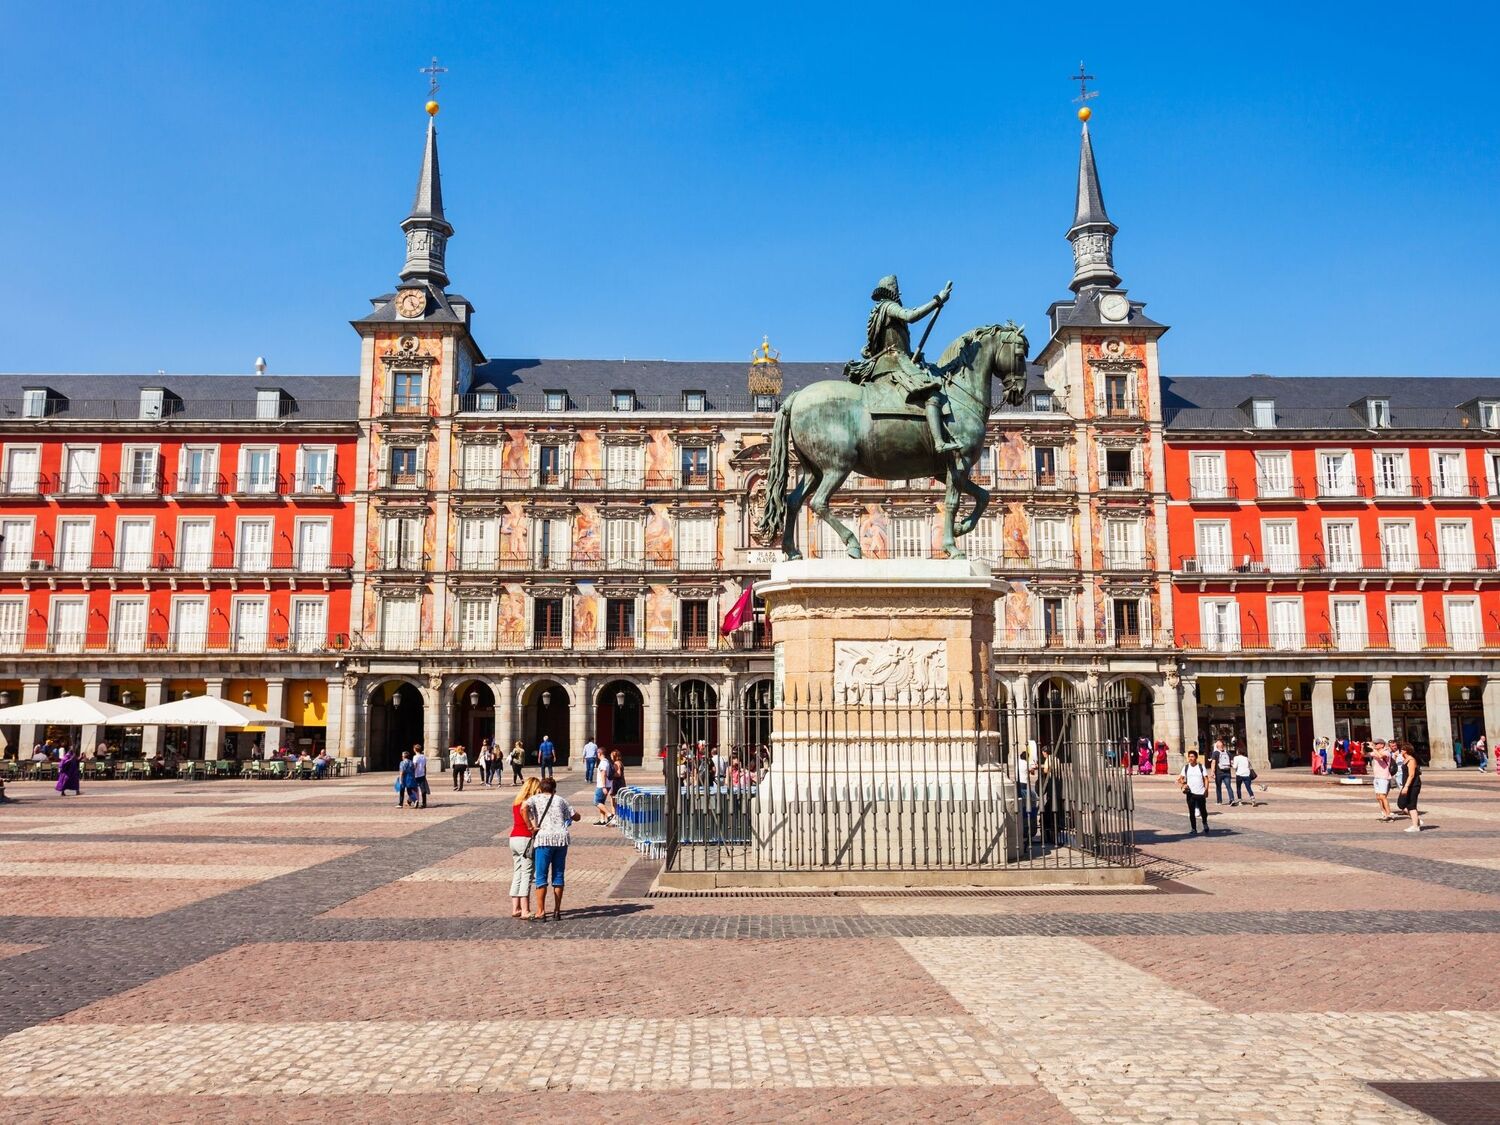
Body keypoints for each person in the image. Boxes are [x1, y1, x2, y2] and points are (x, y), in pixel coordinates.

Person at [842, 274, 959, 453]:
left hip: (885, 363)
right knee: (932, 393)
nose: (900, 292)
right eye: (897, 288)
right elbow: (911, 316)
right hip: (895, 364)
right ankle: (939, 442)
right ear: (891, 290)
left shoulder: (877, 311)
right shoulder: (889, 307)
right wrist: (937, 299)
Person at [526, 776, 580, 921]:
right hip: (561, 840)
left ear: (541, 788)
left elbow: (523, 807)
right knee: (558, 874)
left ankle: (541, 911)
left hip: (544, 839)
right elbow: (576, 816)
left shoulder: (535, 799)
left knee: (541, 875)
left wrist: (530, 826)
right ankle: (557, 910)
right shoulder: (561, 800)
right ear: (554, 789)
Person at [509, 778, 541, 918]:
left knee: (517, 873)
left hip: (514, 838)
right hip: (525, 839)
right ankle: (525, 910)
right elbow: (527, 815)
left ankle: (515, 908)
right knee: (527, 874)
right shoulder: (527, 803)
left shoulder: (516, 802)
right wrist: (532, 827)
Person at [1178, 749, 1211, 835]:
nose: (1190, 758)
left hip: (1200, 792)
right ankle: (1193, 829)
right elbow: (1180, 778)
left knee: (1203, 810)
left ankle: (1205, 823)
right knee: (1191, 812)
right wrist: (1184, 784)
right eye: (1189, 757)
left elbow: (1206, 779)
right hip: (1190, 793)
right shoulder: (1186, 767)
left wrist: (1206, 789)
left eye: (1192, 756)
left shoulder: (1201, 767)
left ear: (1196, 757)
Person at [1397, 744, 1423, 833]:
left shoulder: (1411, 760)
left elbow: (1411, 775)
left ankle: (1415, 826)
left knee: (1411, 805)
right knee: (1403, 804)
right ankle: (1417, 821)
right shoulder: (1405, 760)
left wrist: (1406, 787)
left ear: (1406, 750)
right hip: (1407, 785)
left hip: (1413, 785)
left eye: (1402, 749)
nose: (1401, 750)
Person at [1370, 741, 1395, 821]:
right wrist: (1363, 747)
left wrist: (1373, 749)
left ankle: (1389, 814)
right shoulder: (1376, 752)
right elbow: (1364, 754)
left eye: (1377, 744)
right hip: (1376, 777)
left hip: (1383, 776)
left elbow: (1381, 756)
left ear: (1382, 745)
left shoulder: (1386, 752)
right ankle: (1384, 813)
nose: (1375, 745)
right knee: (1378, 797)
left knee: (1383, 796)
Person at [605, 750, 626, 826]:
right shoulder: (620, 762)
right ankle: (617, 816)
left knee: (614, 801)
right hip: (620, 783)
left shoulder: (616, 763)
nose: (610, 757)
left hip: (616, 784)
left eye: (611, 755)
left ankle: (615, 817)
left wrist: (608, 775)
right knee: (616, 800)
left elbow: (619, 774)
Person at [593, 750, 614, 825]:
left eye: (597, 753)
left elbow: (603, 774)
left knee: (596, 802)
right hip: (605, 785)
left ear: (600, 753)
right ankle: (602, 820)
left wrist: (604, 786)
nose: (596, 754)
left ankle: (609, 815)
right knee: (601, 802)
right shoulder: (606, 762)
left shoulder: (603, 763)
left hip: (602, 786)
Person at [1212, 739, 1233, 805]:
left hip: (1218, 773)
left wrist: (1212, 772)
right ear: (1223, 746)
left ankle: (1219, 801)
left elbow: (1213, 763)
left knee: (1218, 787)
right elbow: (1232, 762)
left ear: (1217, 746)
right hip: (1227, 772)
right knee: (1229, 786)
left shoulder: (1215, 753)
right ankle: (1231, 799)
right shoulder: (1228, 752)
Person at [411, 743, 429, 808]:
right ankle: (424, 803)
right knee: (423, 789)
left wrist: (412, 773)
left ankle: (415, 801)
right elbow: (424, 766)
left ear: (415, 750)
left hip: (416, 775)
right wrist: (425, 774)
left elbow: (415, 766)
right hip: (422, 774)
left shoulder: (415, 757)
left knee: (414, 789)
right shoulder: (423, 756)